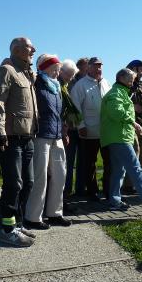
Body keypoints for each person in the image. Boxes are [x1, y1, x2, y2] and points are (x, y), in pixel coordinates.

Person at [0, 37, 39, 246]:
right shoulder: (7, 71)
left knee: (28, 183)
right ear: (17, 50)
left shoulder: (26, 74)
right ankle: (7, 229)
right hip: (11, 138)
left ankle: (18, 224)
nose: (34, 49)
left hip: (27, 137)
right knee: (13, 184)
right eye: (29, 47)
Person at [101, 68, 142, 211]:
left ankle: (114, 201)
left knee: (119, 171)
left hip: (118, 136)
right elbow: (116, 112)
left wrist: (132, 123)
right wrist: (133, 122)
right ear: (121, 78)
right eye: (130, 79)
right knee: (135, 168)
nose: (132, 82)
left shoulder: (121, 92)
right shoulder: (116, 93)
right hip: (118, 137)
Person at [24, 54, 71, 229]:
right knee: (40, 176)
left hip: (56, 135)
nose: (58, 73)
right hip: (41, 135)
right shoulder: (36, 83)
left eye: (58, 69)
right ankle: (33, 217)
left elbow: (58, 113)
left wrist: (64, 130)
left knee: (60, 175)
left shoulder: (56, 86)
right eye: (55, 69)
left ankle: (54, 213)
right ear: (45, 68)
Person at [70, 57, 111, 200]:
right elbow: (75, 108)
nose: (98, 69)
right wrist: (80, 126)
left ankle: (108, 190)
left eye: (100, 66)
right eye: (95, 66)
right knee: (90, 164)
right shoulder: (80, 85)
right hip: (89, 131)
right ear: (88, 67)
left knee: (109, 162)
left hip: (106, 132)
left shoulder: (106, 83)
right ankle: (92, 191)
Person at [121, 60, 142, 194]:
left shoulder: (140, 85)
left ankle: (140, 185)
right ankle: (128, 186)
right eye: (141, 70)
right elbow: (118, 103)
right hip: (130, 125)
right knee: (134, 155)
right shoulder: (124, 84)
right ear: (134, 69)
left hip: (141, 124)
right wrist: (132, 106)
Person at [58, 59, 83, 198]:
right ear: (61, 71)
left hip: (65, 128)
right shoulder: (59, 86)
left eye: (72, 75)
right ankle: (64, 192)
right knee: (64, 162)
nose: (70, 78)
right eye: (69, 75)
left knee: (67, 162)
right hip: (60, 130)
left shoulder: (65, 86)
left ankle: (65, 193)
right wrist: (64, 128)